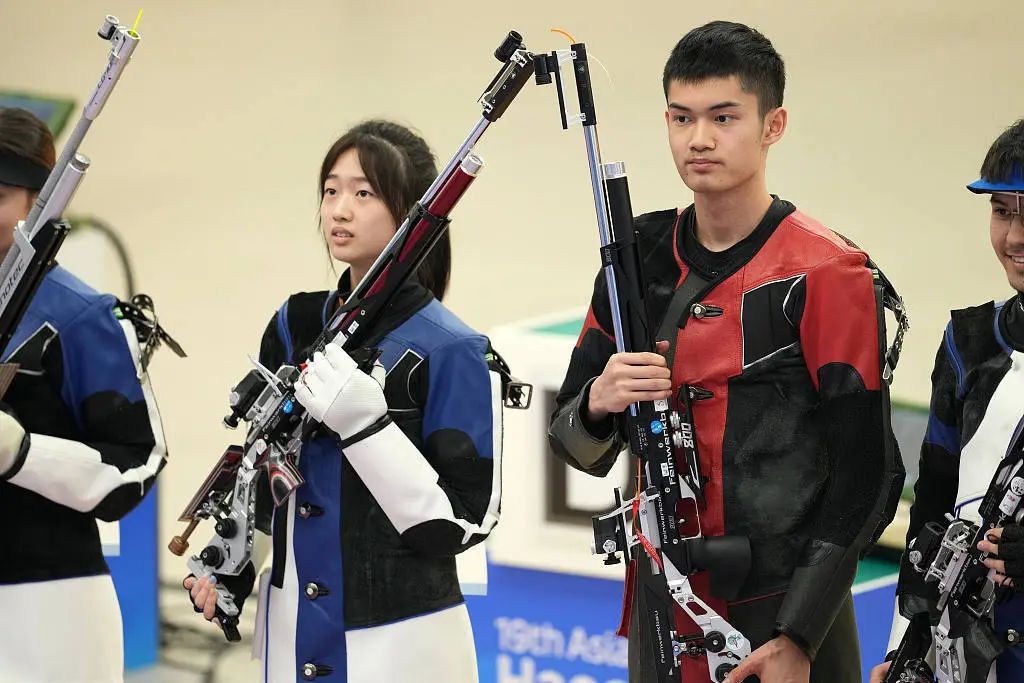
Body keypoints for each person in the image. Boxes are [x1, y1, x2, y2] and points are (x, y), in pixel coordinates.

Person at [547, 21, 902, 683]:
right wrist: (599, 400)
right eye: (681, 117)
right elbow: (571, 442)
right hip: (664, 610)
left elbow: (869, 477)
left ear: (774, 125)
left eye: (723, 117)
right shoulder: (636, 258)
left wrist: (798, 634)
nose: (699, 139)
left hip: (787, 623)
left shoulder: (829, 272)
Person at [185, 120, 506, 683]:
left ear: (411, 212)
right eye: (331, 191)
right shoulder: (295, 322)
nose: (339, 210)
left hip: (403, 643)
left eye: (364, 193)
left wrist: (366, 426)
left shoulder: (454, 350)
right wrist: (232, 567)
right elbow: (266, 471)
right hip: (287, 632)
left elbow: (462, 524)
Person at [0, 106, 168, 682]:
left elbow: (137, 464)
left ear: (42, 202)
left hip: (50, 610)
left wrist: (22, 454)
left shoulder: (82, 317)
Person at [870, 120, 1024, 683]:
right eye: (1002, 210)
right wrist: (902, 652)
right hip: (963, 656)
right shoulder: (967, 343)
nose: (1014, 238)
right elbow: (930, 516)